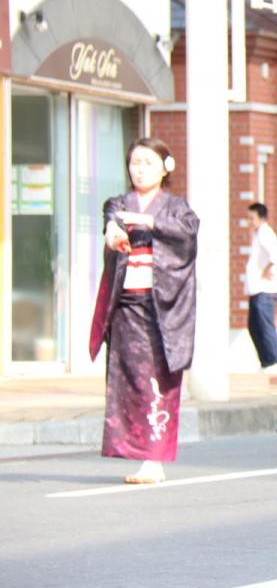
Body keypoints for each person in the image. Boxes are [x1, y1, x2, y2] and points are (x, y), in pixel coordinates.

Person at [89, 138, 198, 485]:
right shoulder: (118, 203)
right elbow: (111, 220)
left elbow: (188, 236)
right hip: (127, 305)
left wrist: (149, 223)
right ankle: (138, 453)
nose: (139, 169)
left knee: (158, 378)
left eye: (148, 163)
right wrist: (113, 229)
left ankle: (154, 458)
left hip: (162, 306)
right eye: (135, 163)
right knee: (128, 380)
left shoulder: (177, 208)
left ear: (165, 167)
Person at [246, 202, 277, 372]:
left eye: (252, 218)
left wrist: (267, 268)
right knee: (254, 325)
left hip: (265, 289)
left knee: (265, 325)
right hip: (257, 288)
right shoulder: (258, 234)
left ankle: (275, 360)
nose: (250, 222)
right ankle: (266, 361)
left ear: (260, 218)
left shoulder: (264, 232)